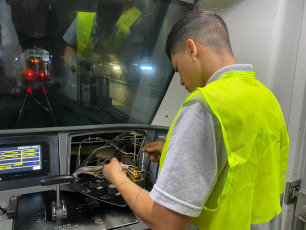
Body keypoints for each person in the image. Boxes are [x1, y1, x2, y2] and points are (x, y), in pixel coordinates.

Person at [103, 11, 289, 230]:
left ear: (191, 49)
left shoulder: (204, 105)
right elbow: (241, 162)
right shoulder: (267, 99)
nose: (180, 81)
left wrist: (116, 177)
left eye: (177, 67)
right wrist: (177, 151)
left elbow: (166, 222)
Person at [63, 0, 142, 72]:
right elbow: (69, 45)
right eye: (101, 23)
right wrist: (70, 59)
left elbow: (125, 63)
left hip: (108, 81)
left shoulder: (125, 34)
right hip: (79, 75)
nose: (104, 27)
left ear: (119, 16)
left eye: (108, 25)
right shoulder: (81, 19)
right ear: (97, 10)